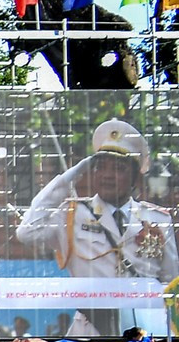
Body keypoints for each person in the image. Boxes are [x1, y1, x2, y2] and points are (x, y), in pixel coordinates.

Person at [17, 118, 179, 283]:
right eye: (100, 166)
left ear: (135, 177)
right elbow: (26, 233)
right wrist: (69, 178)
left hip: (143, 309)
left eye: (117, 168)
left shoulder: (158, 220)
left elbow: (171, 283)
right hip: (92, 309)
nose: (107, 175)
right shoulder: (72, 214)